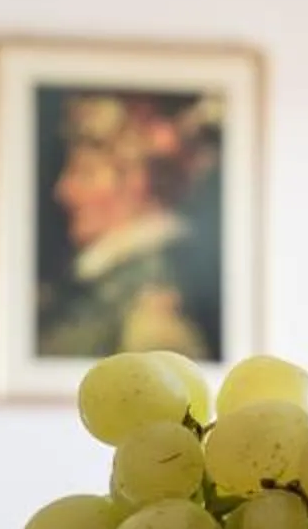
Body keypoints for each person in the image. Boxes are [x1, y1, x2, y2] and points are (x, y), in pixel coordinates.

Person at [35, 91, 224, 361]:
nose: (64, 190)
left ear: (138, 182)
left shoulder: (154, 313)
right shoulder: (90, 289)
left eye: (85, 173)